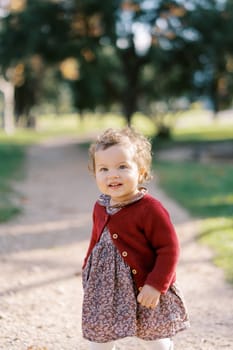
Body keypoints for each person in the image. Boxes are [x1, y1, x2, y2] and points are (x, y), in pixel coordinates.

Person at [82, 127, 189, 350]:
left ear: (140, 172)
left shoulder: (150, 209)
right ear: (95, 174)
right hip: (106, 287)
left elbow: (169, 249)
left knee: (150, 334)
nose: (112, 174)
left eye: (122, 167)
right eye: (104, 169)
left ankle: (164, 345)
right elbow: (95, 241)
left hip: (143, 285)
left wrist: (156, 284)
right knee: (100, 334)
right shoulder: (100, 206)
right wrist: (87, 269)